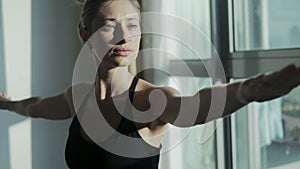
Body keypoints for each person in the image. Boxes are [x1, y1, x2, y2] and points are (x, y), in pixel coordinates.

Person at [0, 0, 299, 168]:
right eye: (108, 26)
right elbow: (36, 107)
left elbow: (195, 106)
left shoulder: (149, 101)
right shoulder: (78, 98)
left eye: (132, 25)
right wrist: (8, 103)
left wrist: (248, 90)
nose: (123, 37)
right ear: (84, 34)